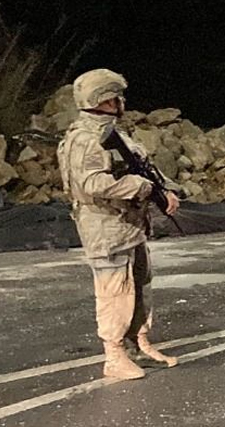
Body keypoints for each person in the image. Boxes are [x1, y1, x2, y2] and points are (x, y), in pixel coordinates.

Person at [57, 69, 181, 380]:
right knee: (115, 291)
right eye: (117, 97)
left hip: (129, 225)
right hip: (105, 227)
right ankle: (114, 355)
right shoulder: (85, 139)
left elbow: (142, 167)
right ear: (106, 100)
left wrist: (163, 189)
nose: (121, 102)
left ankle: (138, 344)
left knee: (140, 284)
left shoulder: (114, 133)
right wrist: (141, 188)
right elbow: (91, 183)